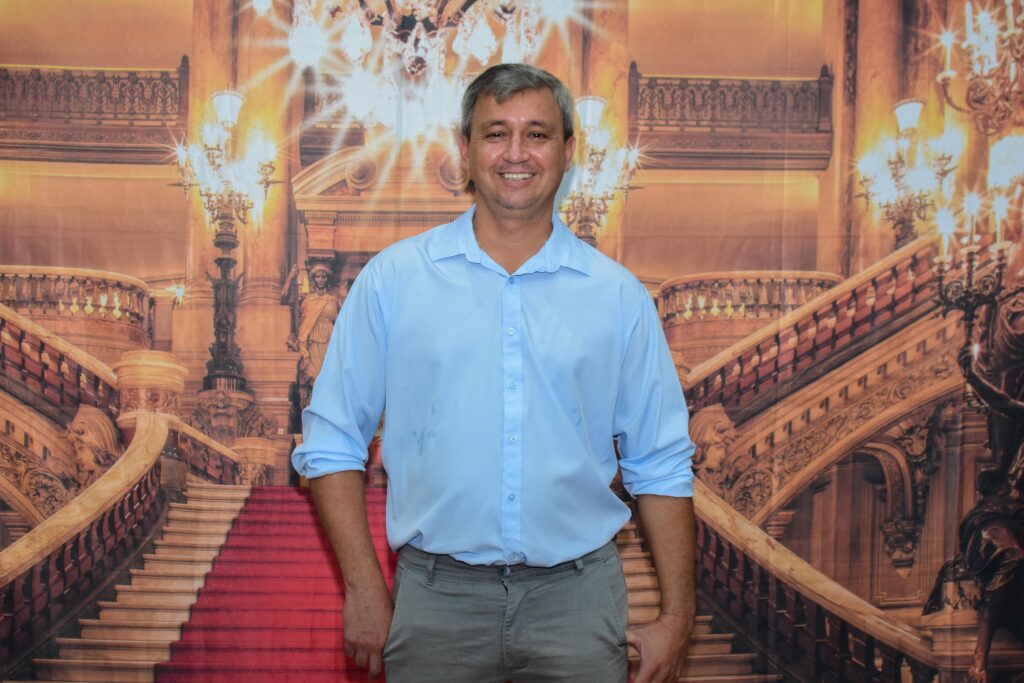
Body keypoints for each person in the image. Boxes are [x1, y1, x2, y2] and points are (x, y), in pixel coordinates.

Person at [292, 63, 696, 683]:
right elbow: (332, 442)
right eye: (495, 133)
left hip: (579, 603)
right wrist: (365, 588)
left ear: (567, 151)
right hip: (435, 605)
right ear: (465, 150)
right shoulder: (395, 280)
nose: (516, 153)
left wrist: (679, 615)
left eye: (537, 134)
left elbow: (660, 462)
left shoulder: (618, 297)